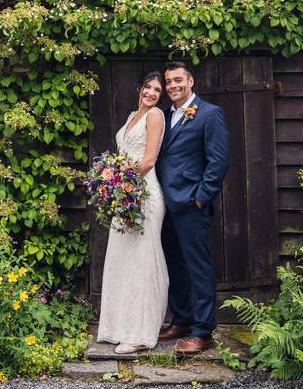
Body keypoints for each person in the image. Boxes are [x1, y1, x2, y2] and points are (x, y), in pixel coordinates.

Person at [155, 61, 230, 355]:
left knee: (198, 267)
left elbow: (219, 160)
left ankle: (203, 331)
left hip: (191, 204)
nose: (173, 86)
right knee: (175, 265)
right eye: (169, 82)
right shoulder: (163, 116)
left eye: (177, 81)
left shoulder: (210, 114)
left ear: (190, 82)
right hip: (165, 204)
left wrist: (201, 197)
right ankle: (182, 319)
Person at [96, 71, 169, 354]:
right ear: (139, 88)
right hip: (125, 193)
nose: (151, 93)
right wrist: (112, 182)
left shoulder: (155, 117)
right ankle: (118, 327)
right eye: (148, 87)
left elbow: (149, 159)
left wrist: (122, 183)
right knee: (121, 256)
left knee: (142, 258)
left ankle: (140, 333)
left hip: (144, 193)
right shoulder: (130, 117)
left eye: (157, 91)